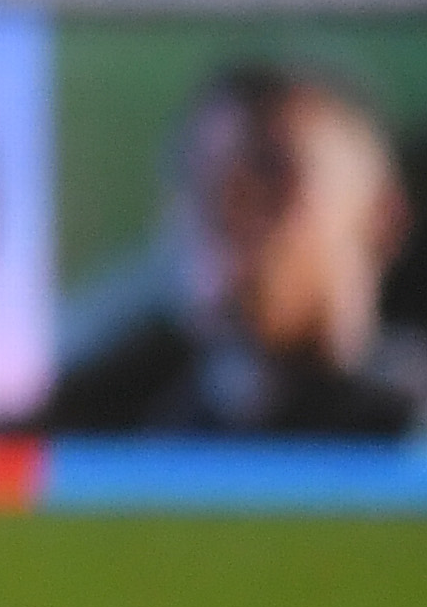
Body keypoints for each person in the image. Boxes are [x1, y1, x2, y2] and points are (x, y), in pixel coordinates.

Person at [46, 66, 421, 439]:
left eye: (269, 173)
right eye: (197, 175)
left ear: (381, 216)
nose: (223, 206)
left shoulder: (410, 426)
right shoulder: (108, 420)